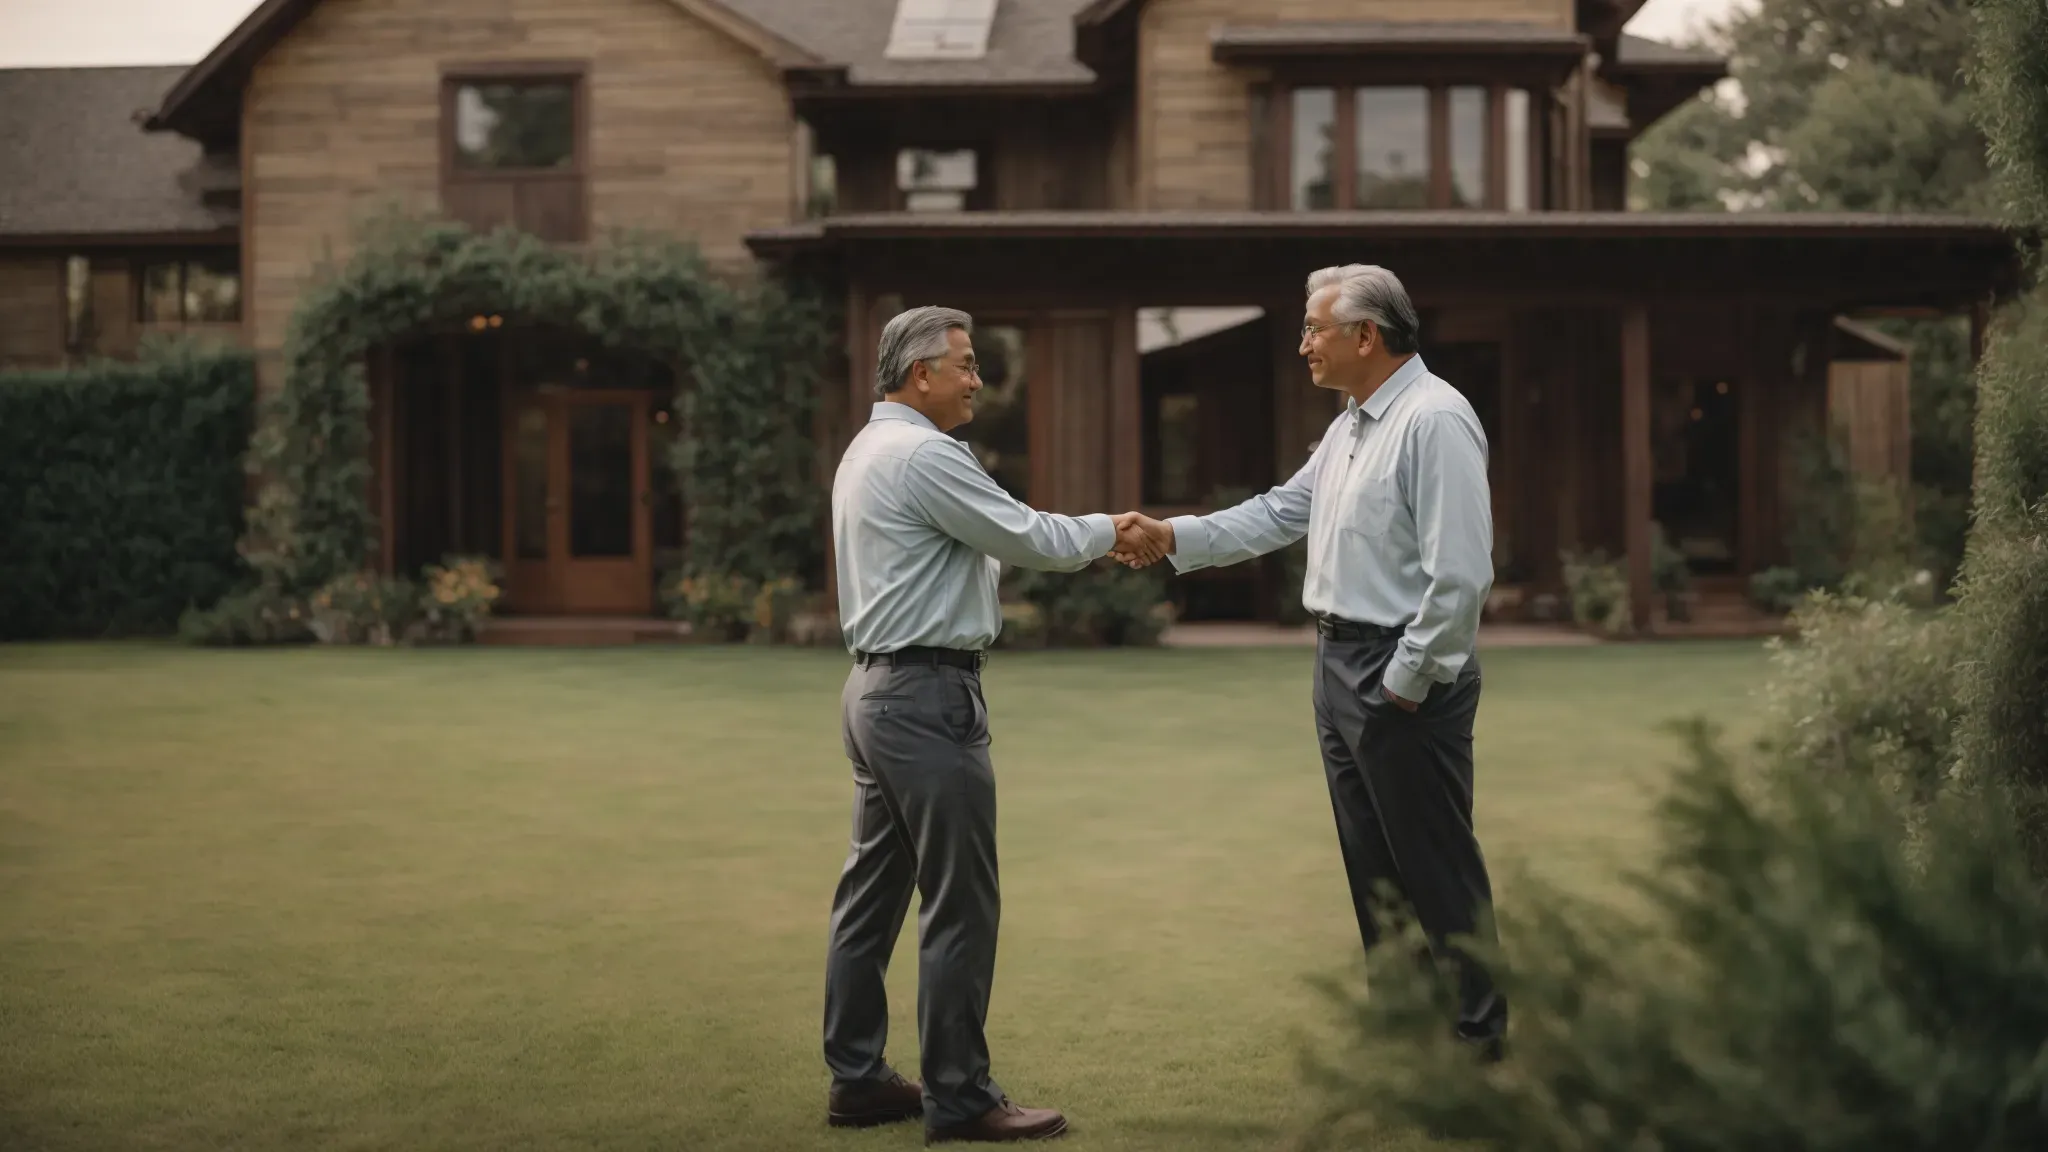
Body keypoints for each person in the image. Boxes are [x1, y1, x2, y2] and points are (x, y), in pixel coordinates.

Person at [1115, 265, 1508, 1058]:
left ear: (1367, 335)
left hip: (1397, 675)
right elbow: (1282, 511)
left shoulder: (1435, 420)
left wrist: (1407, 678)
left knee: (1435, 868)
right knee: (1374, 871)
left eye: (1313, 330)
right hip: (1336, 667)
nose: (1302, 347)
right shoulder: (1351, 425)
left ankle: (1478, 1044)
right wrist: (1174, 536)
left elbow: (1460, 573)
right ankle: (1403, 1036)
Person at [824, 305, 1161, 1143]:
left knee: (871, 899)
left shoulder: (870, 449)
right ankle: (962, 1097)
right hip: (926, 702)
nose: (978, 378)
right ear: (919, 374)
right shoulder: (923, 454)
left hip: (876, 694)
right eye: (966, 364)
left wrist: (1050, 536)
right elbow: (1026, 535)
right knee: (961, 904)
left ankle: (859, 1079)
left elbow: (989, 542)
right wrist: (1110, 532)